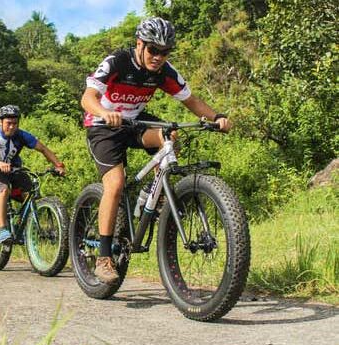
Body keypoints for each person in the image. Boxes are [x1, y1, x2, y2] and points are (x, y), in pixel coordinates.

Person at [81, 17, 232, 283]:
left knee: (169, 136)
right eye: (153, 50)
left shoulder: (164, 71)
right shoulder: (117, 61)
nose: (158, 57)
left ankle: (154, 194)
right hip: (103, 126)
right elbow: (88, 98)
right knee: (115, 184)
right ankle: (104, 257)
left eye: (165, 52)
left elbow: (192, 101)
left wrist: (217, 117)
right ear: (140, 44)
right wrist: (105, 112)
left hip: (135, 122)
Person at [0, 105, 66, 244]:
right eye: (9, 123)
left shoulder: (22, 135)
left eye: (15, 123)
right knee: (4, 191)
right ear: (0, 122)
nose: (12, 127)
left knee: (30, 195)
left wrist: (58, 165)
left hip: (15, 169)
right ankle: (2, 229)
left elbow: (43, 149)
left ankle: (24, 226)